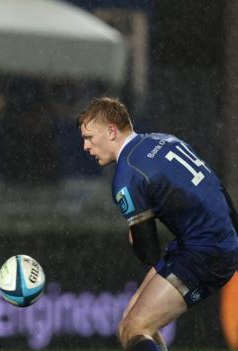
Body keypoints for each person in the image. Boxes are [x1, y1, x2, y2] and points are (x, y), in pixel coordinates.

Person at [78, 97, 238, 351]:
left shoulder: (127, 175)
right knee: (128, 325)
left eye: (89, 137)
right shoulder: (163, 139)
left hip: (206, 251)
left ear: (111, 131)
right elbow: (215, 186)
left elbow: (147, 250)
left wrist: (137, 236)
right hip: (211, 240)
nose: (85, 146)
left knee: (136, 328)